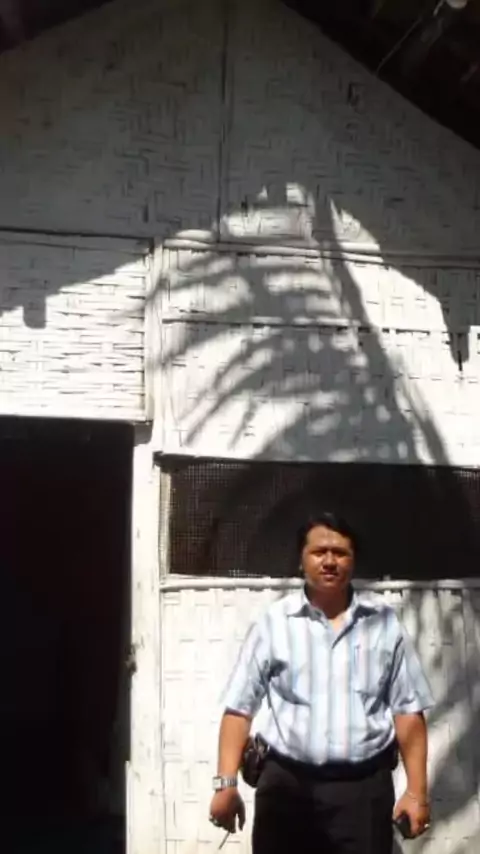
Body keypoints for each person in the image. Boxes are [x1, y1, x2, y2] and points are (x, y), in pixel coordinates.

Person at [209, 511, 433, 854]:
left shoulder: (384, 625)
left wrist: (417, 793)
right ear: (301, 560)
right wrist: (225, 785)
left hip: (363, 793)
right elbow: (239, 710)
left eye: (340, 553)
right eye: (319, 552)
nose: (329, 561)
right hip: (286, 791)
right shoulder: (274, 624)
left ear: (353, 561)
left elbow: (408, 713)